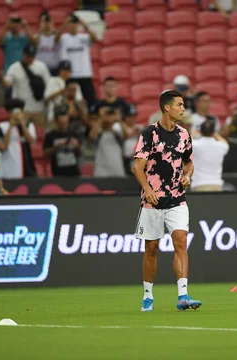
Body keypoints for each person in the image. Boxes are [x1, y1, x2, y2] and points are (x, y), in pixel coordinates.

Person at [131, 89, 201, 313]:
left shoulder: (184, 135)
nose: (183, 108)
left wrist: (188, 175)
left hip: (177, 198)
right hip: (152, 201)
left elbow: (188, 162)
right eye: (179, 105)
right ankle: (148, 296)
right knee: (151, 248)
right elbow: (137, 166)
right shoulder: (149, 134)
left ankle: (183, 295)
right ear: (167, 107)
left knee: (180, 242)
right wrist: (147, 188)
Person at [0, 43, 51, 127]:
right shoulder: (14, 67)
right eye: (28, 56)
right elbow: (7, 84)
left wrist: (46, 99)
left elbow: (48, 84)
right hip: (21, 109)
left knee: (40, 134)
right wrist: (2, 79)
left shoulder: (41, 66)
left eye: (32, 56)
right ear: (23, 54)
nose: (30, 59)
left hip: (38, 108)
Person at [57, 14, 99, 110]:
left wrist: (85, 26)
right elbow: (56, 39)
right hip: (69, 75)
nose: (73, 25)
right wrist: (64, 25)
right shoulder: (64, 38)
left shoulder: (84, 37)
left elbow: (95, 38)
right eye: (71, 23)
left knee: (91, 101)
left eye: (75, 23)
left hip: (84, 73)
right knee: (68, 100)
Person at [0, 99, 37, 179]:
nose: (16, 114)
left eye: (19, 111)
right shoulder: (1, 126)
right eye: (13, 112)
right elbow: (3, 146)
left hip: (27, 167)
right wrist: (11, 126)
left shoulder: (29, 125)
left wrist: (22, 124)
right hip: (8, 168)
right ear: (8, 113)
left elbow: (31, 141)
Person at [191, 120, 229, 191]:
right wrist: (216, 134)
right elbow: (226, 144)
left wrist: (193, 134)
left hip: (199, 185)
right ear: (213, 132)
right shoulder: (221, 145)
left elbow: (186, 144)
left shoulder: (194, 145)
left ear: (200, 132)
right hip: (216, 185)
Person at [43, 107, 81, 177]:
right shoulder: (50, 135)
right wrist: (56, 146)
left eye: (65, 123)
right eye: (61, 123)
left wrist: (77, 146)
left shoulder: (74, 134)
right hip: (57, 174)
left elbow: (79, 153)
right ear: (56, 122)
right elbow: (45, 155)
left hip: (74, 173)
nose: (64, 125)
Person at [90, 107, 126, 177]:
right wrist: (101, 119)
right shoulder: (99, 134)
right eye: (107, 115)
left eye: (110, 115)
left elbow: (126, 135)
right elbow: (91, 136)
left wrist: (119, 120)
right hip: (101, 171)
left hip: (117, 170)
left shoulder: (116, 133)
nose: (108, 118)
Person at [44, 60, 84, 125]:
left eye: (68, 71)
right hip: (55, 115)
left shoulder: (75, 84)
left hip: (72, 116)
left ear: (71, 72)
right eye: (64, 70)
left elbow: (79, 100)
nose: (66, 72)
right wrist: (62, 91)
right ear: (59, 70)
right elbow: (46, 99)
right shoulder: (52, 81)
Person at [33, 12, 60, 76]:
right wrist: (41, 31)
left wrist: (51, 29)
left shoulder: (56, 36)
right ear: (40, 23)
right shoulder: (36, 36)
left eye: (48, 21)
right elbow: (35, 43)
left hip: (54, 68)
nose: (47, 23)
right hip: (40, 69)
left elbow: (58, 39)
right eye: (44, 21)